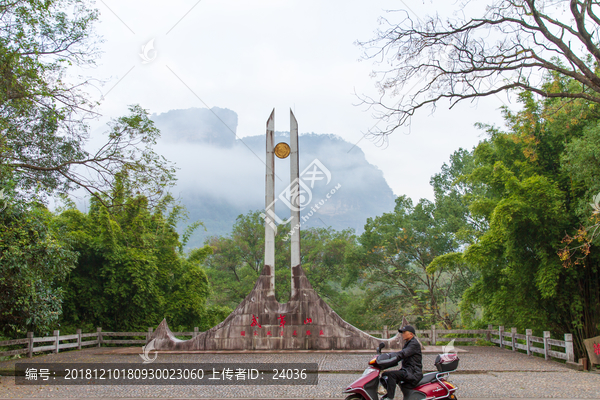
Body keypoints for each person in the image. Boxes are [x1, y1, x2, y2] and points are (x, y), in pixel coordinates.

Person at [380, 325, 423, 400]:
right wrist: (386, 361)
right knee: (384, 374)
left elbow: (402, 354)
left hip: (413, 373)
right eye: (402, 332)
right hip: (407, 370)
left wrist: (390, 356)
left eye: (404, 332)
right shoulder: (408, 343)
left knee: (392, 375)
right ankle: (387, 394)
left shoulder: (414, 344)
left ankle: (390, 398)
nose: (402, 334)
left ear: (411, 334)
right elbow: (400, 356)